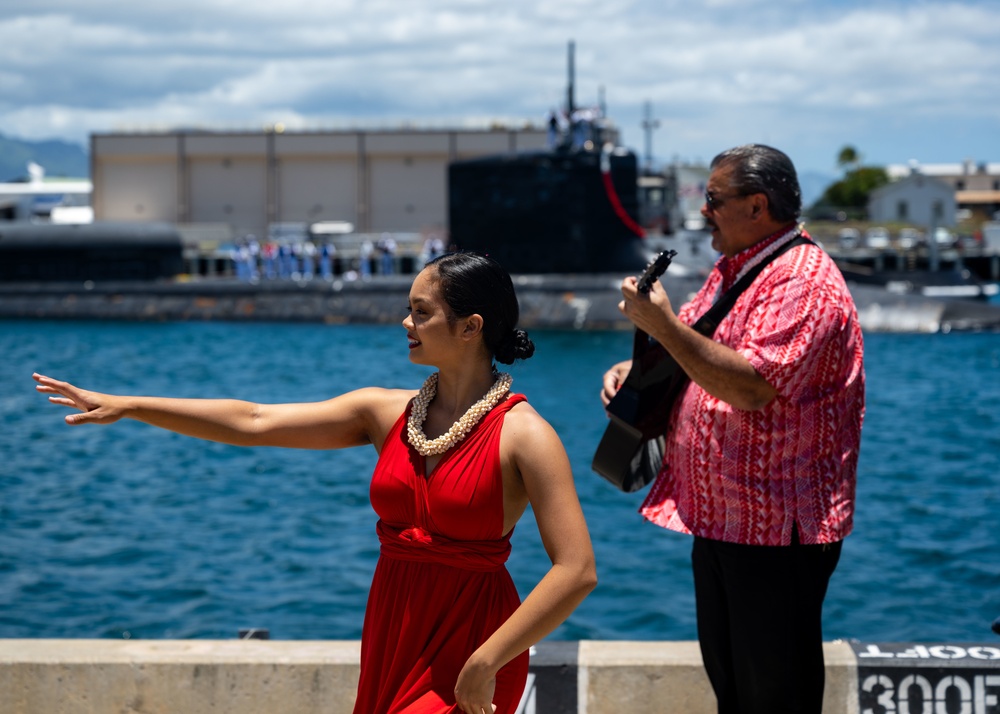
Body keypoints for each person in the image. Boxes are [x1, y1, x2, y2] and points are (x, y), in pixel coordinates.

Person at [35, 251, 597, 714]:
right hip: (393, 630)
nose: (405, 323)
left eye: (421, 312)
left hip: (475, 641)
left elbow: (576, 570)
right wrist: (131, 405)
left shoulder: (525, 435)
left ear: (471, 327)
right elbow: (256, 421)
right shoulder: (383, 412)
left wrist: (486, 662)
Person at [600, 144, 864, 714]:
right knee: (737, 691)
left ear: (757, 205)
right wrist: (635, 368)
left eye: (714, 200)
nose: (703, 213)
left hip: (775, 526)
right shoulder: (736, 270)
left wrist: (661, 326)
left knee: (774, 693)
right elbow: (694, 349)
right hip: (725, 517)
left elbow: (750, 386)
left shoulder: (802, 280)